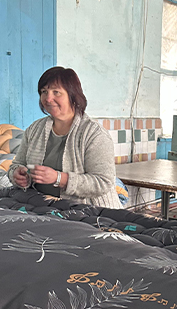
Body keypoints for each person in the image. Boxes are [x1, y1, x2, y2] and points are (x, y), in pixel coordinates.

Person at [8, 66, 122, 208]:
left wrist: (59, 179)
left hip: (91, 212)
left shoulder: (93, 134)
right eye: (44, 92)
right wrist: (17, 175)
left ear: (72, 95)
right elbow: (16, 165)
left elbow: (102, 182)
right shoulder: (34, 130)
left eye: (56, 92)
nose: (48, 99)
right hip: (45, 209)